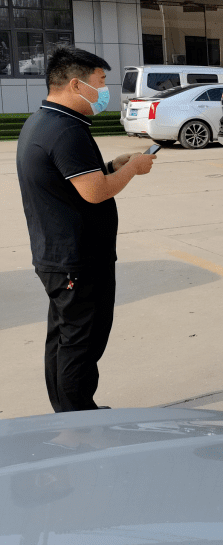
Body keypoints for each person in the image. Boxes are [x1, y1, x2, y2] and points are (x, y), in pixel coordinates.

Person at [16, 46, 156, 412]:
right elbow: (94, 192)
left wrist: (113, 164)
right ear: (77, 84)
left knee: (63, 338)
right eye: (101, 82)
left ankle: (67, 411)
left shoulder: (43, 121)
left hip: (58, 254)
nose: (105, 90)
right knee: (82, 342)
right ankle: (78, 420)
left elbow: (73, 179)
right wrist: (133, 169)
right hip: (77, 259)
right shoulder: (66, 131)